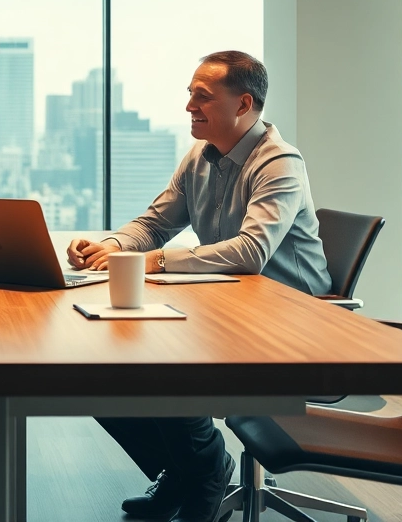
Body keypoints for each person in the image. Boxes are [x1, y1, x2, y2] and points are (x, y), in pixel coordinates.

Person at [66, 50, 329, 522]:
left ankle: (202, 472)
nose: (189, 106)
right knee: (98, 368)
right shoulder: (200, 157)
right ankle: (192, 469)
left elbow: (251, 251)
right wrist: (111, 246)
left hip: (289, 322)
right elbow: (154, 224)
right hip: (227, 308)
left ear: (243, 104)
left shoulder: (279, 163)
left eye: (202, 97)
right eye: (190, 94)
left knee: (163, 360)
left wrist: (151, 261)